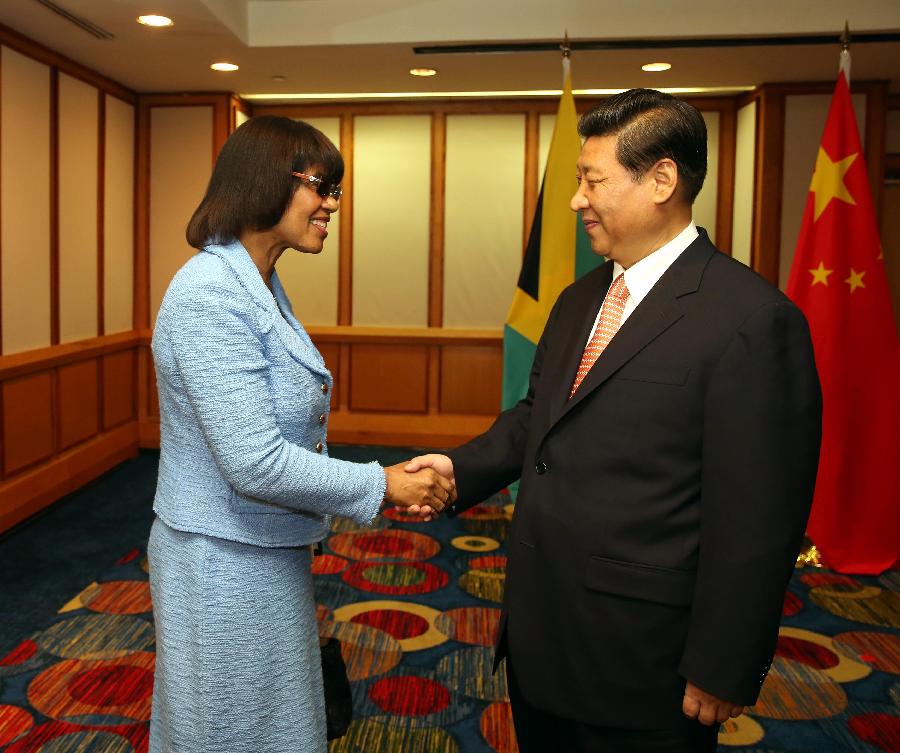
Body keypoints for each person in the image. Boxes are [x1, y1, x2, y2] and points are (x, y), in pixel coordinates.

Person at [406, 89, 822, 753]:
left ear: (661, 179)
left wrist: (725, 663)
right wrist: (459, 469)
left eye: (592, 180)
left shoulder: (751, 319)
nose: (576, 201)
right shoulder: (578, 301)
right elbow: (537, 420)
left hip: (643, 662)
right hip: (542, 636)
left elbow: (759, 519)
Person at [148, 115, 451, 753]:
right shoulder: (209, 293)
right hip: (220, 563)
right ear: (265, 182)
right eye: (322, 186)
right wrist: (384, 484)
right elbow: (254, 464)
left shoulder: (254, 281)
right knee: (229, 733)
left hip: (260, 549)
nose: (332, 204)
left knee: (275, 726)